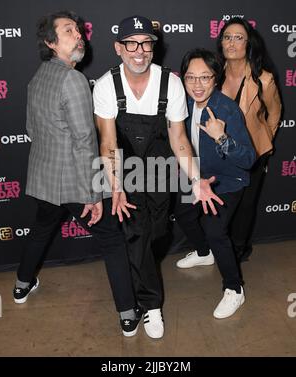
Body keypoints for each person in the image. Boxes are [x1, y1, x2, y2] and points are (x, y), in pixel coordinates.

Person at [93, 16, 223, 338]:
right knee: (135, 236)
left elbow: (179, 138)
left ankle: (141, 279)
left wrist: (195, 179)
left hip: (161, 169)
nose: (140, 51)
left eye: (146, 43)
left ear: (154, 46)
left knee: (156, 234)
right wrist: (115, 187)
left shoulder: (172, 83)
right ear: (118, 48)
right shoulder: (106, 84)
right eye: (131, 43)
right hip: (124, 171)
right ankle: (151, 306)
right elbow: (107, 141)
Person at [13, 10, 141, 338]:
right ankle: (128, 314)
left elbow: (30, 129)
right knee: (112, 240)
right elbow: (85, 141)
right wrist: (92, 195)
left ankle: (21, 285)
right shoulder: (73, 79)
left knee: (41, 230)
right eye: (69, 31)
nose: (78, 34)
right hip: (74, 184)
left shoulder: (38, 76)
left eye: (78, 29)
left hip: (44, 178)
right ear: (51, 42)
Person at [175, 48, 256, 318]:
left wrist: (221, 137)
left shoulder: (227, 110)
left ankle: (235, 289)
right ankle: (204, 253)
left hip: (227, 181)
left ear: (216, 79)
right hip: (199, 178)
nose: (197, 85)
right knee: (184, 213)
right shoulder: (182, 105)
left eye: (205, 77)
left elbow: (247, 159)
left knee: (214, 228)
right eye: (190, 77)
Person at [216, 18, 282, 261]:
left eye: (238, 37)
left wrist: (264, 143)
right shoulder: (213, 74)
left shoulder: (263, 79)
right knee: (223, 203)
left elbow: (274, 112)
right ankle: (218, 245)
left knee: (245, 205)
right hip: (221, 150)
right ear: (221, 42)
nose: (232, 43)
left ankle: (238, 250)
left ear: (248, 43)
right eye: (227, 37)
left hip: (252, 151)